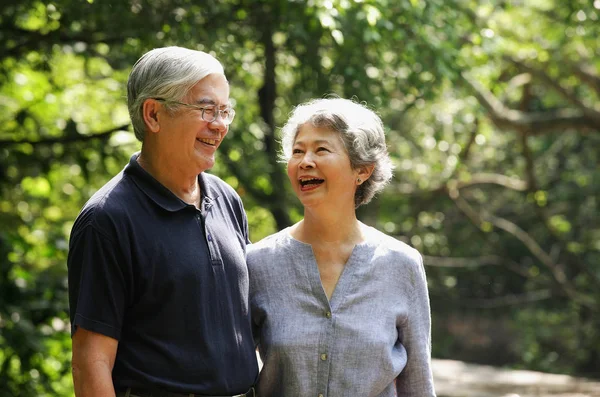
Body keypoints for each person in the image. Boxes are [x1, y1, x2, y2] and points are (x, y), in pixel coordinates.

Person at [67, 46, 258, 397]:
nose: (219, 125)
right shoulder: (107, 220)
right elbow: (90, 363)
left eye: (225, 110)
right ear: (153, 114)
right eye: (206, 109)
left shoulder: (227, 199)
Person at [248, 97, 436, 397]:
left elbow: (418, 387)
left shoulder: (402, 265)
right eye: (298, 151)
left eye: (321, 149)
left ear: (361, 170)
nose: (305, 161)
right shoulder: (257, 263)